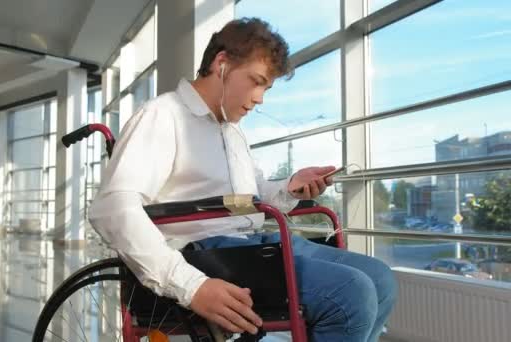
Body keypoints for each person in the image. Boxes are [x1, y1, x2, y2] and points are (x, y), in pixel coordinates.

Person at [89, 17, 397, 342]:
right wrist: (191, 285)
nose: (261, 97)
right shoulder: (162, 116)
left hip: (250, 246)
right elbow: (113, 208)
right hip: (205, 253)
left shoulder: (232, 131)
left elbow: (252, 195)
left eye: (267, 87)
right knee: (352, 294)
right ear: (222, 64)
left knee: (380, 278)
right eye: (256, 81)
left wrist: (290, 186)